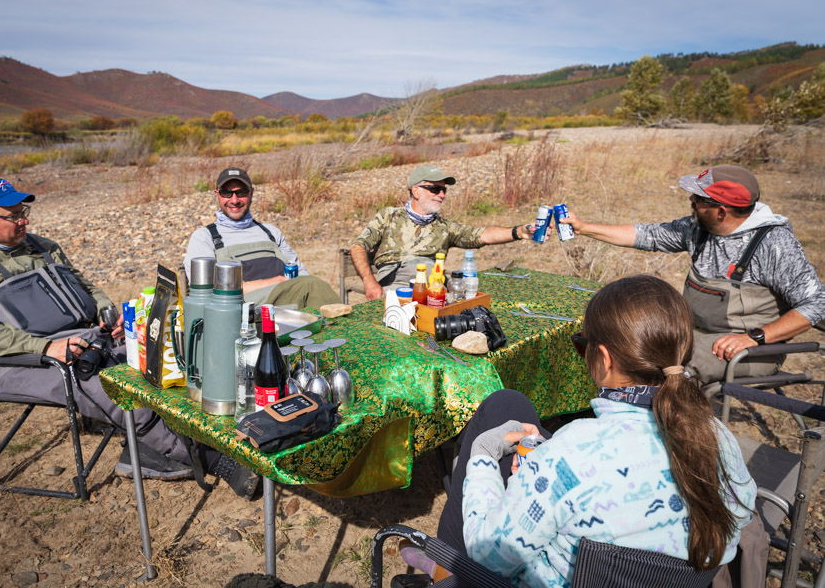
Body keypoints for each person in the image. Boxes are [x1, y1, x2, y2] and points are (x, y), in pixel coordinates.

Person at [0, 178, 258, 498]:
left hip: (88, 339)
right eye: (15, 215)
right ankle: (214, 460)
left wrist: (107, 311)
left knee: (162, 360)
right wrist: (46, 347)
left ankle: (175, 439)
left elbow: (87, 287)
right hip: (23, 360)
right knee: (118, 391)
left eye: (24, 211)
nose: (25, 220)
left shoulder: (41, 245)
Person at [426, 275, 756, 587]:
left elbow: (490, 556)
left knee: (499, 414)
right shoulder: (717, 439)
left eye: (581, 346)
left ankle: (445, 571)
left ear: (603, 358)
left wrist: (484, 454)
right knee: (509, 405)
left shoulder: (572, 452)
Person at [563, 165, 825, 384]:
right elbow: (648, 235)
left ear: (722, 211)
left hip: (750, 351)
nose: (691, 201)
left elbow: (817, 304)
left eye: (699, 200)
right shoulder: (698, 228)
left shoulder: (773, 244)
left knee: (665, 371)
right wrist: (584, 228)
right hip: (692, 336)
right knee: (626, 347)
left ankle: (677, 437)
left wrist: (753, 338)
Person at [349, 164, 539, 300]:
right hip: (397, 280)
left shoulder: (444, 226)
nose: (442, 195)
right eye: (435, 189)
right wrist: (368, 281)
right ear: (416, 191)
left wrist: (519, 232)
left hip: (434, 284)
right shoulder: (388, 216)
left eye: (444, 190)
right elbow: (358, 246)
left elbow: (482, 235)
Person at [183, 167, 340, 309]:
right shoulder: (204, 238)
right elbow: (207, 295)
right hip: (241, 312)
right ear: (217, 195)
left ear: (251, 193)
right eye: (226, 193)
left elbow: (300, 273)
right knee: (311, 286)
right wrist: (273, 283)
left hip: (288, 306)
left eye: (241, 192)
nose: (234, 200)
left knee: (313, 286)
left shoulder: (271, 232)